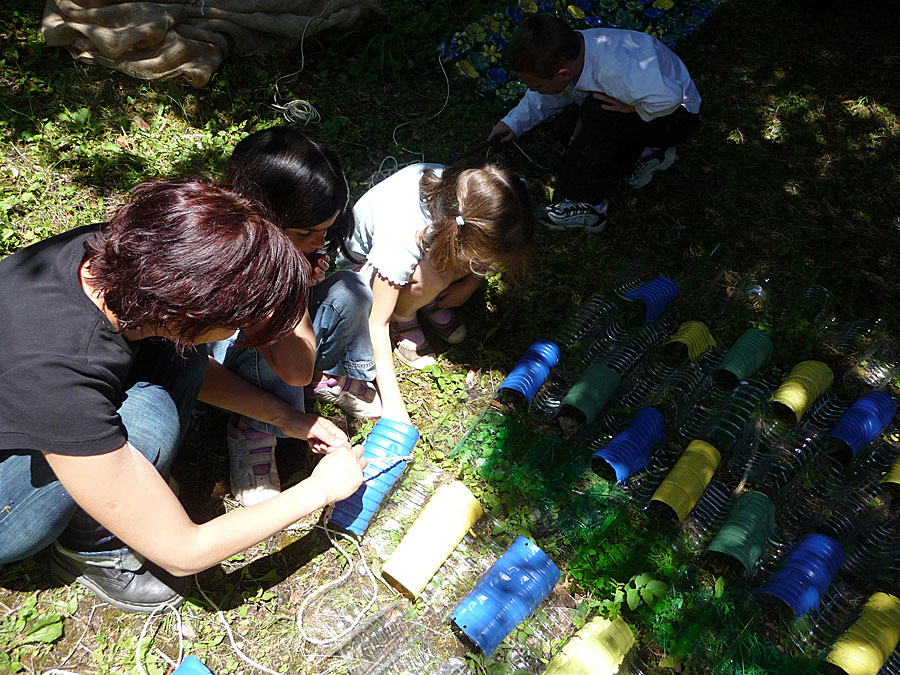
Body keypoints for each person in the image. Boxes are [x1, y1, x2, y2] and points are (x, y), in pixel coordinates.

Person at [0, 179, 367, 613]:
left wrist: (288, 418)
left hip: (36, 403)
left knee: (182, 359)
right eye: (237, 325)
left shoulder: (123, 256)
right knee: (148, 425)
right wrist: (319, 490)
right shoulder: (60, 377)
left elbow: (189, 355)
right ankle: (94, 547)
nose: (236, 334)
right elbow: (185, 549)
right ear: (185, 313)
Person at [218, 126, 379, 508]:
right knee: (273, 348)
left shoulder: (286, 243)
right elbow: (291, 367)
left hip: (290, 345)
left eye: (326, 230)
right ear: (261, 214)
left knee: (349, 289)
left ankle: (327, 377)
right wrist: (291, 289)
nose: (319, 242)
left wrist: (302, 281)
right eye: (307, 231)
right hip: (231, 357)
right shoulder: (238, 258)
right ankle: (253, 429)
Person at [339, 161, 535, 424]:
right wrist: (394, 408)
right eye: (485, 262)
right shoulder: (401, 237)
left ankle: (424, 296)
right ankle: (406, 314)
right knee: (438, 273)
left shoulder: (467, 194)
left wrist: (469, 284)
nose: (489, 268)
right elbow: (376, 324)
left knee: (448, 267)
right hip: (365, 269)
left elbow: (476, 251)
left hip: (435, 244)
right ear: (470, 236)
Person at [488, 13, 701, 233]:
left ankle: (589, 207)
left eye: (536, 85)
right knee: (567, 128)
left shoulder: (613, 72)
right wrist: (512, 123)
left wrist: (633, 108)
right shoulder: (573, 54)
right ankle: (646, 154)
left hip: (676, 115)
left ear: (563, 74)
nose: (533, 89)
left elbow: (671, 97)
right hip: (649, 103)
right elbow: (548, 94)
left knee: (596, 110)